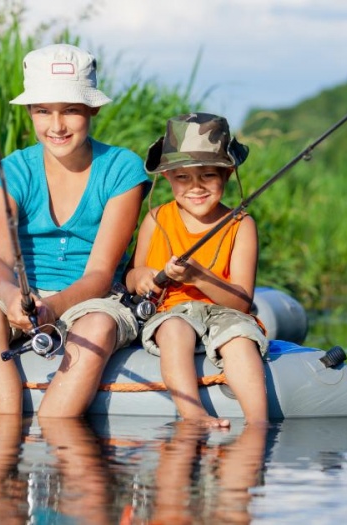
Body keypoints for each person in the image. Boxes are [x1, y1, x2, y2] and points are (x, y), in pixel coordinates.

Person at [0, 43, 148, 417]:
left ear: (92, 108)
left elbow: (100, 274)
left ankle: (56, 428)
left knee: (98, 326)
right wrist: (11, 296)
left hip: (91, 299)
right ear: (29, 112)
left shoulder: (123, 169)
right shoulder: (12, 171)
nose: (56, 126)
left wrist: (51, 308)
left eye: (70, 110)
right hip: (20, 294)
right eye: (43, 111)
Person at [125, 113, 268, 427]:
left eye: (208, 175)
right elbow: (132, 277)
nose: (196, 187)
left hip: (224, 312)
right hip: (172, 312)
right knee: (174, 330)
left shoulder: (241, 225)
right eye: (183, 177)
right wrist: (143, 277)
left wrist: (199, 277)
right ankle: (194, 415)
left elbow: (241, 303)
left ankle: (259, 424)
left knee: (239, 340)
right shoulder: (156, 219)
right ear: (167, 177)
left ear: (227, 174)